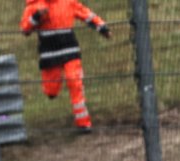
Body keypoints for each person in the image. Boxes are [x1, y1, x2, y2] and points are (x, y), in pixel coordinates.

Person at [20, 0, 112, 133]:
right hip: (49, 53)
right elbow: (25, 29)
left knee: (74, 81)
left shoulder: (68, 2)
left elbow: (85, 14)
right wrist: (37, 17)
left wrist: (101, 27)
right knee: (51, 90)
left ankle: (83, 124)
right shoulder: (33, 6)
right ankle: (52, 93)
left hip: (70, 49)